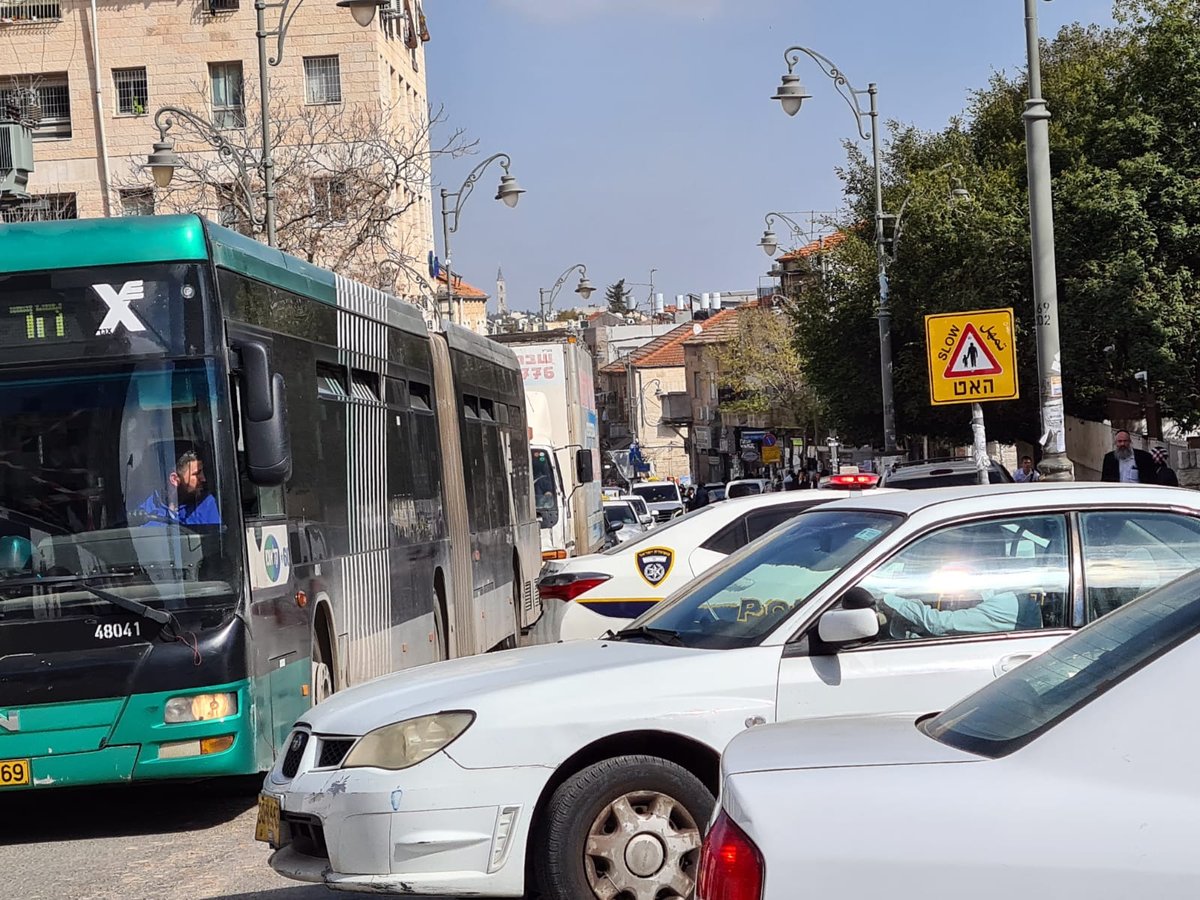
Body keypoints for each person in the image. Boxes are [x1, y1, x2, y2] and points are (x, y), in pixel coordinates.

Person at [137, 450, 221, 526]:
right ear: (174, 479)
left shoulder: (206, 504)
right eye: (197, 474)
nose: (203, 479)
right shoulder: (144, 512)